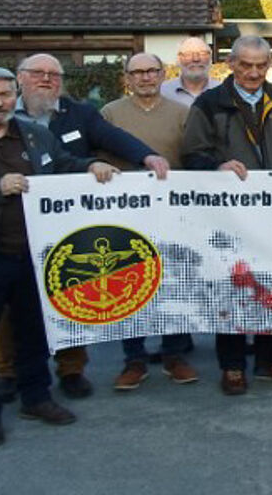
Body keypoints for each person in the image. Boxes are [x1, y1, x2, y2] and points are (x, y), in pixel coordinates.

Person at [0, 65, 119, 447]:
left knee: (33, 335)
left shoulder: (35, 133)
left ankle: (36, 397)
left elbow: (61, 165)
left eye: (5, 94)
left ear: (15, 94)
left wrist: (90, 165)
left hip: (34, 256)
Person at [0, 53, 169, 401]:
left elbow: (113, 137)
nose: (46, 80)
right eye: (37, 73)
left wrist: (148, 156)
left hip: (65, 225)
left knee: (69, 293)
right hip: (10, 224)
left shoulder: (80, 113)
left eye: (54, 75)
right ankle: (6, 372)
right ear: (19, 79)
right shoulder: (2, 116)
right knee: (8, 304)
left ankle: (72, 369)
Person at [182, 36, 272, 396]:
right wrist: (217, 165)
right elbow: (191, 155)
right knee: (232, 287)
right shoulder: (209, 104)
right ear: (230, 65)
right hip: (230, 216)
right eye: (246, 65)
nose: (253, 72)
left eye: (261, 65)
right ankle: (233, 365)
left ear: (269, 65)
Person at [100, 53, 198, 391]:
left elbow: (195, 157)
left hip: (174, 214)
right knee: (129, 283)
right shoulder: (110, 113)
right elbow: (98, 154)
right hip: (127, 214)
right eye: (137, 72)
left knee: (174, 282)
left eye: (151, 71)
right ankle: (134, 359)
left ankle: (175, 354)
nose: (145, 77)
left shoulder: (183, 113)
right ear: (126, 77)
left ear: (162, 74)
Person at [161, 36, 222, 106]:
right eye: (188, 54)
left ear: (210, 59)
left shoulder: (224, 92)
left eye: (202, 53)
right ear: (178, 59)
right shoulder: (163, 92)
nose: (196, 59)